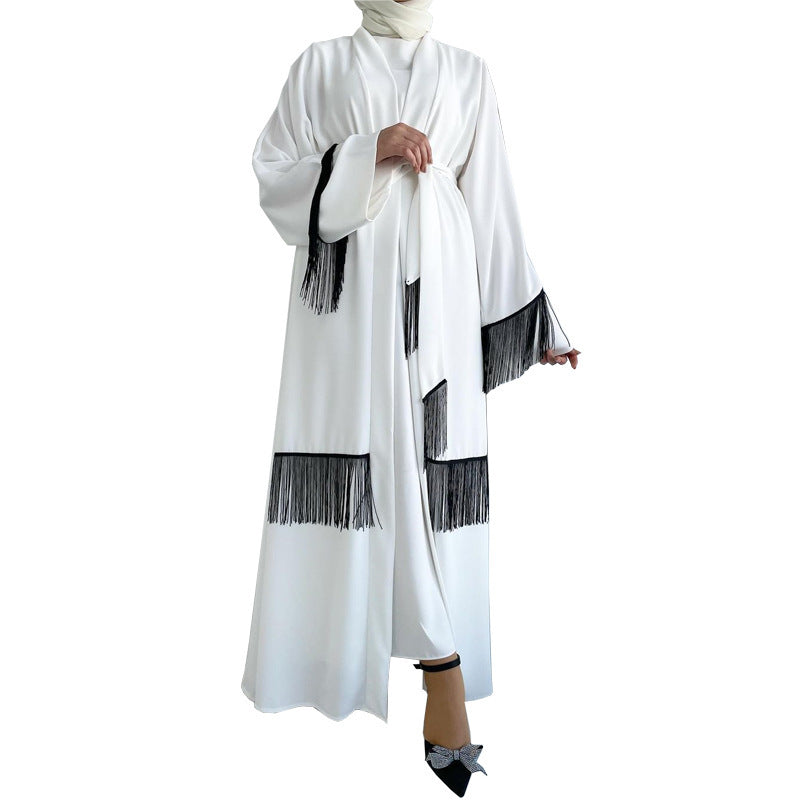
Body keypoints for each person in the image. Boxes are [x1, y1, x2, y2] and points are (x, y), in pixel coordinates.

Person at [241, 1, 580, 795]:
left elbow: (491, 201)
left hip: (444, 300)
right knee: (377, 468)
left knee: (424, 476)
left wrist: (533, 321)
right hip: (348, 303)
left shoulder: (468, 72)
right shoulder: (320, 65)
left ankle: (437, 666)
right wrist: (368, 151)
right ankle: (436, 671)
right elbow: (272, 173)